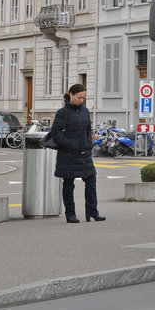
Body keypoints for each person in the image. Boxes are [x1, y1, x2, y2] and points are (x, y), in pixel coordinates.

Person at [50, 83, 104, 223]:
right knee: (68, 184)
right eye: (79, 97)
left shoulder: (85, 111)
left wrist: (89, 143)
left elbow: (88, 129)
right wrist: (70, 144)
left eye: (83, 98)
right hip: (68, 154)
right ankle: (70, 214)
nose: (81, 100)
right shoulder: (63, 113)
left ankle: (92, 212)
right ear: (71, 95)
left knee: (91, 180)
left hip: (84, 152)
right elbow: (56, 133)